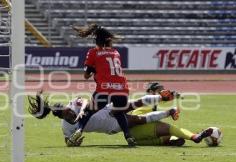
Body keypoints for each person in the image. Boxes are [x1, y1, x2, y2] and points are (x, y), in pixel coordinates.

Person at [28, 90, 180, 146]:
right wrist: (72, 143)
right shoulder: (66, 127)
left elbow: (87, 101)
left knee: (133, 104)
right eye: (68, 114)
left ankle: (162, 97)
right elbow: (67, 140)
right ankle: (169, 112)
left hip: (106, 109)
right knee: (138, 120)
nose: (71, 113)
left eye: (69, 111)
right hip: (110, 126)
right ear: (61, 116)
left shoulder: (74, 103)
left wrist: (81, 110)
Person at [72, 24, 134, 145]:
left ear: (96, 41)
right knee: (119, 112)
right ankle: (128, 136)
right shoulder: (116, 53)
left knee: (89, 111)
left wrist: (94, 71)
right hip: (122, 90)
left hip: (104, 89)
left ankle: (79, 130)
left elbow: (86, 75)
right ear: (109, 41)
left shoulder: (93, 52)